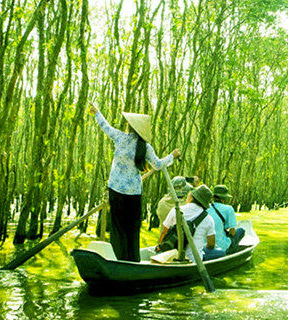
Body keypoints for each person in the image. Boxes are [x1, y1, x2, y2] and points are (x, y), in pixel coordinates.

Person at [89, 103, 180, 262]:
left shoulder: (120, 137)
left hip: (116, 190)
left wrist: (97, 111)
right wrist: (172, 155)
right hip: (134, 193)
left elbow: (105, 126)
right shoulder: (145, 147)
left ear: (130, 127)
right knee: (132, 228)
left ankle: (118, 259)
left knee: (118, 228)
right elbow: (158, 165)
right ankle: (133, 260)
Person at [158, 184, 225, 262]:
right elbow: (211, 245)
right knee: (222, 253)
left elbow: (164, 232)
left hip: (172, 256)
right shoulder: (208, 219)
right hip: (195, 259)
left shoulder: (176, 210)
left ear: (192, 197)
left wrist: (159, 247)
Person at [207, 185, 245, 255]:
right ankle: (231, 250)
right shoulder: (229, 209)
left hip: (206, 245)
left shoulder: (206, 207)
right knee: (241, 231)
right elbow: (232, 232)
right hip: (221, 246)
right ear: (223, 199)